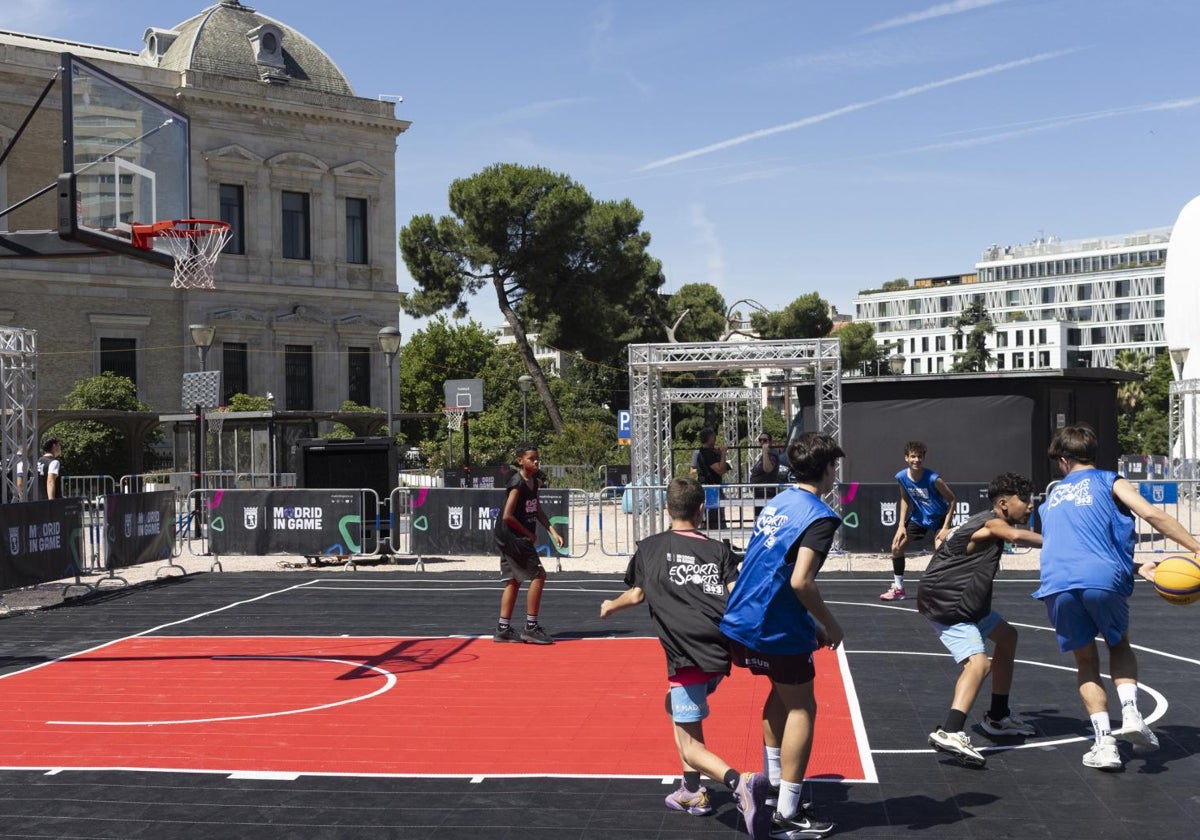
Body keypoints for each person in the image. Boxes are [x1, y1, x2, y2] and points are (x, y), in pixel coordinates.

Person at [599, 477, 770, 823]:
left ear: (666, 509)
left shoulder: (648, 548)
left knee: (691, 744)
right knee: (675, 709)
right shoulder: (718, 550)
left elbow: (636, 595)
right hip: (718, 654)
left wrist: (610, 606)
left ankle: (741, 782)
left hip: (686, 654)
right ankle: (691, 790)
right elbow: (737, 596)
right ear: (701, 511)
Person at [1034, 422, 1200, 771]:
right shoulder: (1111, 480)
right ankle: (1131, 713)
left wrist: (1136, 565)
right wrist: (1195, 547)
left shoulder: (1050, 500)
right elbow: (1151, 514)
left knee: (1085, 662)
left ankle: (1104, 743)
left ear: (1063, 462)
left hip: (1056, 582)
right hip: (1100, 577)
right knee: (1119, 645)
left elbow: (1074, 545)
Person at [720, 432, 845, 839]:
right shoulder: (820, 515)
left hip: (743, 616)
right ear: (827, 469)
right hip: (773, 626)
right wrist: (829, 622)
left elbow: (768, 565)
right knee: (803, 708)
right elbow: (800, 581)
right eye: (833, 467)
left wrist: (809, 624)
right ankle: (787, 812)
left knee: (780, 695)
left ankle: (773, 790)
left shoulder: (779, 502)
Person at [919, 472, 1043, 767]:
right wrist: (1062, 543)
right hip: (948, 602)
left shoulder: (985, 521)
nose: (1029, 506)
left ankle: (998, 716)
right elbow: (1013, 535)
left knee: (1007, 637)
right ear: (1003, 502)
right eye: (1023, 500)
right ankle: (950, 731)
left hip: (966, 601)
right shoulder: (990, 523)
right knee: (978, 663)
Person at [492, 443, 562, 645]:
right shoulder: (517, 482)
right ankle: (531, 627)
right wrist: (526, 534)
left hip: (511, 536)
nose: (536, 461)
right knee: (539, 575)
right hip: (512, 536)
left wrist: (552, 531)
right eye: (532, 458)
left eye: (537, 458)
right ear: (520, 461)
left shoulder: (534, 482)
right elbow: (507, 515)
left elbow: (537, 509)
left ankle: (503, 628)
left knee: (514, 580)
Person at [882, 440, 955, 601]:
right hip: (920, 517)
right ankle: (899, 589)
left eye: (920, 457)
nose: (916, 460)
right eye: (913, 456)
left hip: (940, 518)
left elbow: (952, 500)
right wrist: (901, 525)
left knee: (941, 550)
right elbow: (905, 499)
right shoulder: (901, 477)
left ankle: (945, 589)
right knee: (896, 547)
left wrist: (946, 526)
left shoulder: (933, 479)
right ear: (906, 458)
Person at [691, 427, 730, 531]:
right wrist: (723, 455)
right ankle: (713, 540)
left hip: (712, 487)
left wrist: (720, 455)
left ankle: (725, 542)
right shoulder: (706, 453)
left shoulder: (706, 452)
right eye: (714, 436)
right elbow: (720, 470)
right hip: (710, 488)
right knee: (713, 516)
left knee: (718, 515)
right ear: (710, 438)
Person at [750, 432, 782, 522]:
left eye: (765, 440)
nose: (762, 442)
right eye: (760, 440)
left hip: (766, 491)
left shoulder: (771, 454)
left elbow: (768, 469)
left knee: (765, 518)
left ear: (770, 442)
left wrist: (765, 452)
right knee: (759, 518)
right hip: (759, 491)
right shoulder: (766, 454)